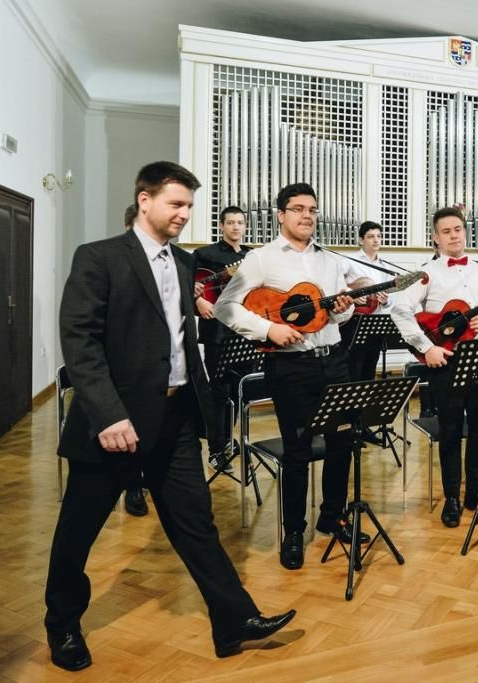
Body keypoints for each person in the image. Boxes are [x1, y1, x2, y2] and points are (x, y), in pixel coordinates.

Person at [45, 161, 295, 672]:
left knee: (196, 523)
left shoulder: (183, 263)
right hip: (114, 424)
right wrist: (108, 415)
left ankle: (233, 620)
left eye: (189, 205)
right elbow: (81, 343)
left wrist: (208, 413)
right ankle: (62, 623)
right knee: (78, 531)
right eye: (175, 203)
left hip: (176, 415)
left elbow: (181, 345)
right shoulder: (98, 257)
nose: (184, 213)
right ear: (145, 200)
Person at [215, 182, 366, 570]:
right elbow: (225, 307)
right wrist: (269, 330)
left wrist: (345, 308)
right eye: (298, 209)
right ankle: (294, 531)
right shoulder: (261, 259)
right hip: (291, 366)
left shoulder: (330, 260)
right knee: (297, 450)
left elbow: (342, 312)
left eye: (312, 210)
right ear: (281, 215)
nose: (307, 216)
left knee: (342, 441)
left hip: (334, 360)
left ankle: (332, 517)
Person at [390, 206, 478, 527]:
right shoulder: (427, 273)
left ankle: (475, 495)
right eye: (446, 231)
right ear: (436, 238)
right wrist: (426, 348)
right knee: (451, 431)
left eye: (458, 229)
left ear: (465, 232)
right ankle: (451, 497)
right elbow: (400, 309)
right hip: (446, 361)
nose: (454, 236)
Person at [192, 205, 251, 473]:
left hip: (244, 331)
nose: (235, 227)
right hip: (216, 332)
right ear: (222, 226)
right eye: (230, 222)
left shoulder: (251, 256)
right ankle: (216, 450)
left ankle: (227, 441)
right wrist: (198, 301)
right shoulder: (204, 254)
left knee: (239, 392)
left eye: (240, 222)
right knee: (219, 392)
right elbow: (189, 285)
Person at [120, 203, 150, 517]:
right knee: (132, 435)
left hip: (156, 366)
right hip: (128, 366)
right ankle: (133, 487)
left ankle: (146, 478)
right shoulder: (114, 263)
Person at [339, 220, 394, 382]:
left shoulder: (385, 266)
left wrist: (386, 301)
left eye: (379, 236)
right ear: (361, 240)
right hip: (354, 321)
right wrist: (351, 294)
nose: (376, 240)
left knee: (370, 367)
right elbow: (335, 282)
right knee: (354, 367)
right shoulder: (349, 261)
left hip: (375, 321)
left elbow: (390, 298)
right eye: (371, 236)